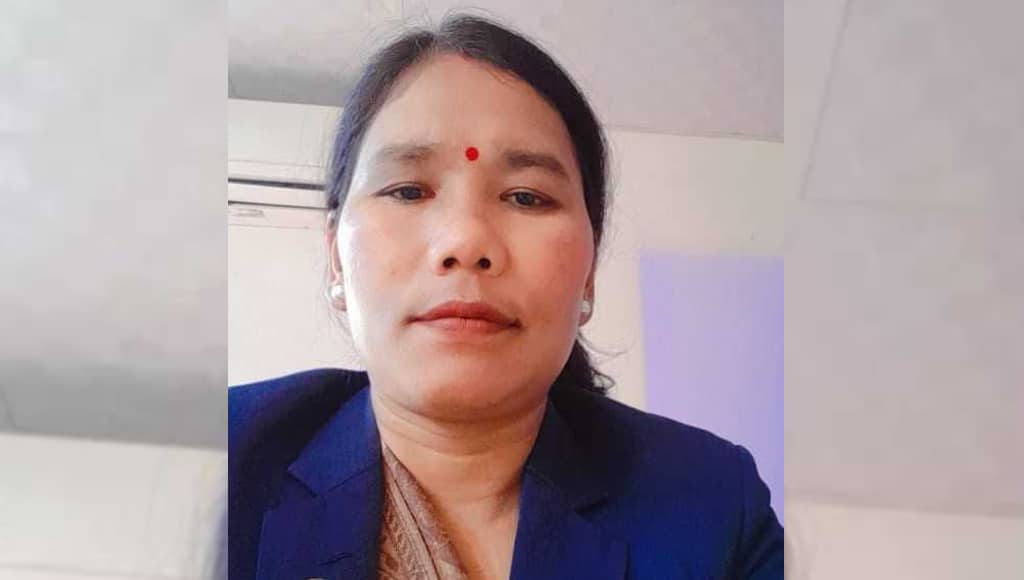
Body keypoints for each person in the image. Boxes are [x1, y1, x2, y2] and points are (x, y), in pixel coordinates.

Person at [229, 14, 783, 580]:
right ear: (335, 258)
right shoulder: (225, 463)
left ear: (589, 275)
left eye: (525, 198)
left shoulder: (713, 508)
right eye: (409, 190)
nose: (466, 242)